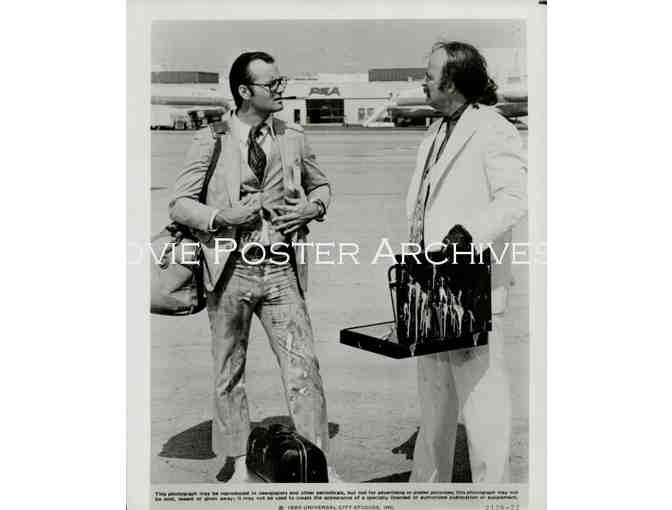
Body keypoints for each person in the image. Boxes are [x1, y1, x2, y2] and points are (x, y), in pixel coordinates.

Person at [169, 51, 335, 482]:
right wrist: (221, 217)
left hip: (281, 269)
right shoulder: (211, 139)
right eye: (272, 84)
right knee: (229, 370)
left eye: (281, 82)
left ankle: (319, 465)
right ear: (245, 91)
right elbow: (180, 203)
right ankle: (239, 464)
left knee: (304, 368)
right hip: (230, 272)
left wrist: (313, 208)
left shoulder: (293, 136)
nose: (281, 90)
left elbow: (321, 185)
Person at [407, 41, 527, 482]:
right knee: (434, 402)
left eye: (429, 74)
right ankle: (427, 493)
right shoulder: (436, 131)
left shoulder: (493, 129)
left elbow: (514, 199)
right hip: (428, 285)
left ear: (452, 83)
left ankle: (492, 496)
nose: (422, 82)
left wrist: (468, 235)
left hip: (471, 288)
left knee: (482, 404)